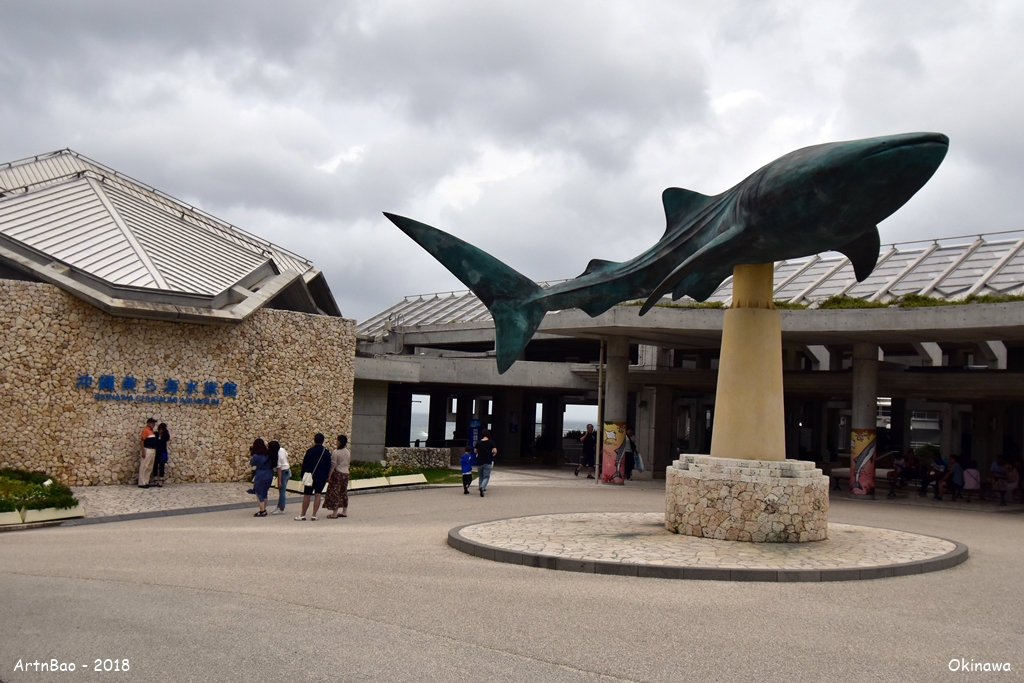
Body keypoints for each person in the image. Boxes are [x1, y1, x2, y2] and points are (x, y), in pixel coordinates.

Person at [296, 433, 332, 521]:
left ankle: (303, 514)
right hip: (321, 476)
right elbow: (328, 465)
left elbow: (305, 464)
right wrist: (326, 475)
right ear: (323, 441)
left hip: (310, 476)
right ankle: (314, 515)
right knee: (318, 494)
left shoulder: (310, 451)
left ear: (314, 440)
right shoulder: (326, 452)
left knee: (307, 495)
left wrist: (303, 475)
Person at [325, 435, 351, 519]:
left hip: (338, 473)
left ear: (339, 441)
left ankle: (334, 513)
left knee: (335, 492)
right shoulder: (347, 452)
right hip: (346, 473)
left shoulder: (336, 452)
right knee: (343, 492)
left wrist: (329, 475)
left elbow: (333, 465)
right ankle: (344, 511)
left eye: (337, 440)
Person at [249, 438, 274, 517]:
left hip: (261, 474)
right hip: (269, 473)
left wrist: (251, 451)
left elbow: (252, 463)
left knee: (259, 492)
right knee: (265, 492)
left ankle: (262, 510)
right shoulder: (269, 454)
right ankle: (264, 508)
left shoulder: (256, 456)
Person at [269, 440, 289, 515]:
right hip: (287, 470)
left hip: (283, 472)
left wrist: (279, 481)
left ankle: (281, 508)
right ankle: (278, 506)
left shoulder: (277, 456)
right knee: (282, 491)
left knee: (282, 492)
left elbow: (279, 470)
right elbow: (286, 455)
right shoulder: (282, 450)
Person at [138, 418, 158, 488]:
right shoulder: (145, 430)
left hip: (152, 450)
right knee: (144, 466)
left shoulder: (151, 431)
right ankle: (141, 482)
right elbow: (142, 441)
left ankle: (146, 481)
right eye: (152, 423)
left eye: (154, 423)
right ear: (148, 423)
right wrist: (143, 451)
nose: (153, 424)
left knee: (149, 467)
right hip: (147, 449)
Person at [476, 430, 496, 497]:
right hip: (488, 461)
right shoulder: (491, 442)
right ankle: (482, 487)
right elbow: (495, 451)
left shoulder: (478, 442)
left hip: (479, 462)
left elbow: (475, 451)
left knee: (480, 476)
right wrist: (492, 453)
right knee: (486, 476)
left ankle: (480, 487)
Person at [152, 422, 171, 487]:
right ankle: (155, 479)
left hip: (163, 452)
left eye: (162, 429)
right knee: (155, 465)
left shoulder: (165, 435)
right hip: (156, 451)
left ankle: (160, 480)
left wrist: (168, 429)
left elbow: (170, 438)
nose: (161, 431)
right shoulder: (155, 434)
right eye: (160, 429)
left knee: (162, 466)